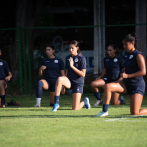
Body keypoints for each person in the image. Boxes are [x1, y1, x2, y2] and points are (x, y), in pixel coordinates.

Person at [95, 32, 147, 117]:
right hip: (126, 84)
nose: (124, 46)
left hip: (137, 85)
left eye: (126, 44)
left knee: (135, 113)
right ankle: (104, 111)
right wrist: (124, 74)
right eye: (123, 44)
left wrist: (128, 75)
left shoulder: (138, 55)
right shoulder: (126, 54)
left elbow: (143, 72)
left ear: (132, 43)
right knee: (108, 86)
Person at [52, 40, 90, 111]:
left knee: (75, 109)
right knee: (60, 79)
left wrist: (72, 66)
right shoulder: (68, 58)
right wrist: (63, 86)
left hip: (78, 84)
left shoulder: (82, 58)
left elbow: (83, 74)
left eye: (72, 48)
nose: (70, 50)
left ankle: (85, 101)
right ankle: (56, 103)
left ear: (77, 48)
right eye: (69, 48)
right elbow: (67, 72)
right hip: (69, 81)